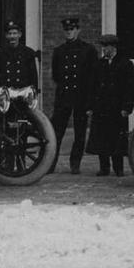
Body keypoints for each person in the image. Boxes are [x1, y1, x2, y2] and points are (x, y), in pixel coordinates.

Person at [48, 17, 97, 175]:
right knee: (56, 132)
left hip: (81, 97)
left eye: (72, 29)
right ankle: (51, 164)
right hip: (63, 97)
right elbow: (56, 75)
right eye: (67, 30)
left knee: (80, 132)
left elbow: (92, 77)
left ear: (78, 30)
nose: (69, 32)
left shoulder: (88, 50)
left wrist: (90, 101)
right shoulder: (59, 51)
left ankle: (75, 164)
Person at [86, 34, 134, 177]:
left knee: (117, 138)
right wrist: (90, 106)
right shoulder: (99, 64)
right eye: (102, 47)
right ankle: (104, 167)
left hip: (117, 108)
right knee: (101, 137)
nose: (103, 50)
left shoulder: (125, 64)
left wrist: (127, 107)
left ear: (113, 47)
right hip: (101, 107)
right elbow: (92, 86)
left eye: (106, 47)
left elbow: (130, 88)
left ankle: (118, 168)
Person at [0, 20, 38, 90]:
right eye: (10, 34)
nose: (12, 36)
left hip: (22, 92)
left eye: (15, 33)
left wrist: (33, 93)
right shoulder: (0, 53)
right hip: (6, 93)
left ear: (20, 35)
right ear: (6, 36)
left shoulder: (28, 52)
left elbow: (33, 77)